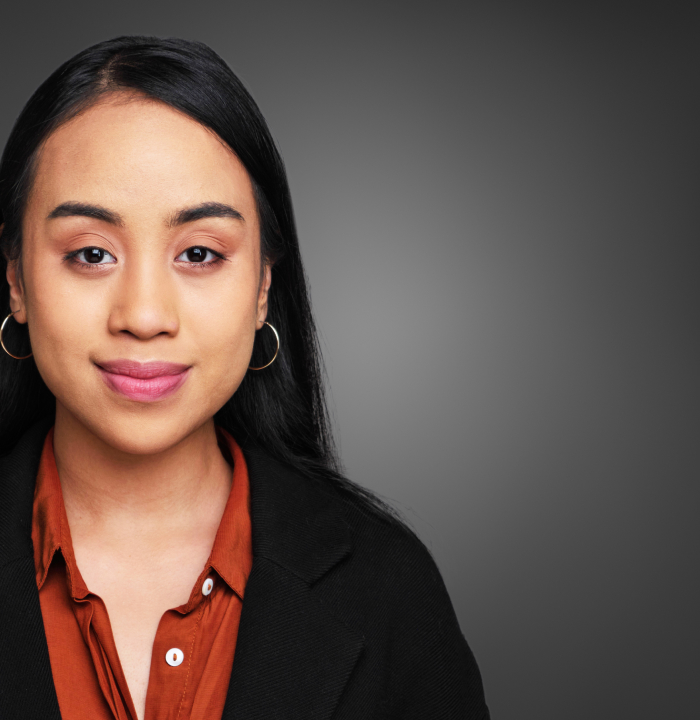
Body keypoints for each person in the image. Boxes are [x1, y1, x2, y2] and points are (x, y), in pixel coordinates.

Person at [0, 36, 489, 720]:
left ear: (262, 285)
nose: (144, 315)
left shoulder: (387, 587)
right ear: (17, 279)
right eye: (90, 253)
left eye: (200, 253)